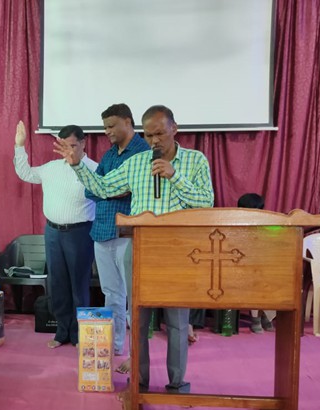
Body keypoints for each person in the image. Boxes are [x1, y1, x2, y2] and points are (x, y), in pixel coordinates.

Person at [55, 105, 214, 392]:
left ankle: (177, 384)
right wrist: (78, 165)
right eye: (149, 135)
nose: (154, 141)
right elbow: (103, 188)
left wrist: (174, 176)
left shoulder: (195, 160)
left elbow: (206, 202)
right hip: (140, 247)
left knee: (177, 321)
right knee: (138, 317)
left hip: (180, 251)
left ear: (174, 129)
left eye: (160, 133)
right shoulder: (137, 162)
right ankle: (139, 383)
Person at [14, 121, 97, 348]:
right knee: (57, 283)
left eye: (72, 146)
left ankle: (79, 334)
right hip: (52, 232)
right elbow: (25, 173)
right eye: (63, 146)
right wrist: (19, 146)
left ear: (83, 143)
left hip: (80, 233)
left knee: (79, 285)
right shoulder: (51, 168)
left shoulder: (94, 169)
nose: (67, 151)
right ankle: (61, 331)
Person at [85, 104, 150, 356]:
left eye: (111, 126)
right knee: (111, 293)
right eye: (105, 128)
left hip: (128, 232)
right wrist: (115, 191)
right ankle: (115, 345)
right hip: (102, 230)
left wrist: (108, 189)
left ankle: (136, 354)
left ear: (128, 122)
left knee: (134, 296)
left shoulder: (143, 151)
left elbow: (138, 190)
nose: (107, 132)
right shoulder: (110, 154)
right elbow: (91, 190)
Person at [237, 193, 276, 333]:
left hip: (261, 265)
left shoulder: (265, 225)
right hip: (242, 268)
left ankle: (266, 316)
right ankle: (256, 319)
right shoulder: (236, 224)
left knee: (272, 276)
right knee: (255, 279)